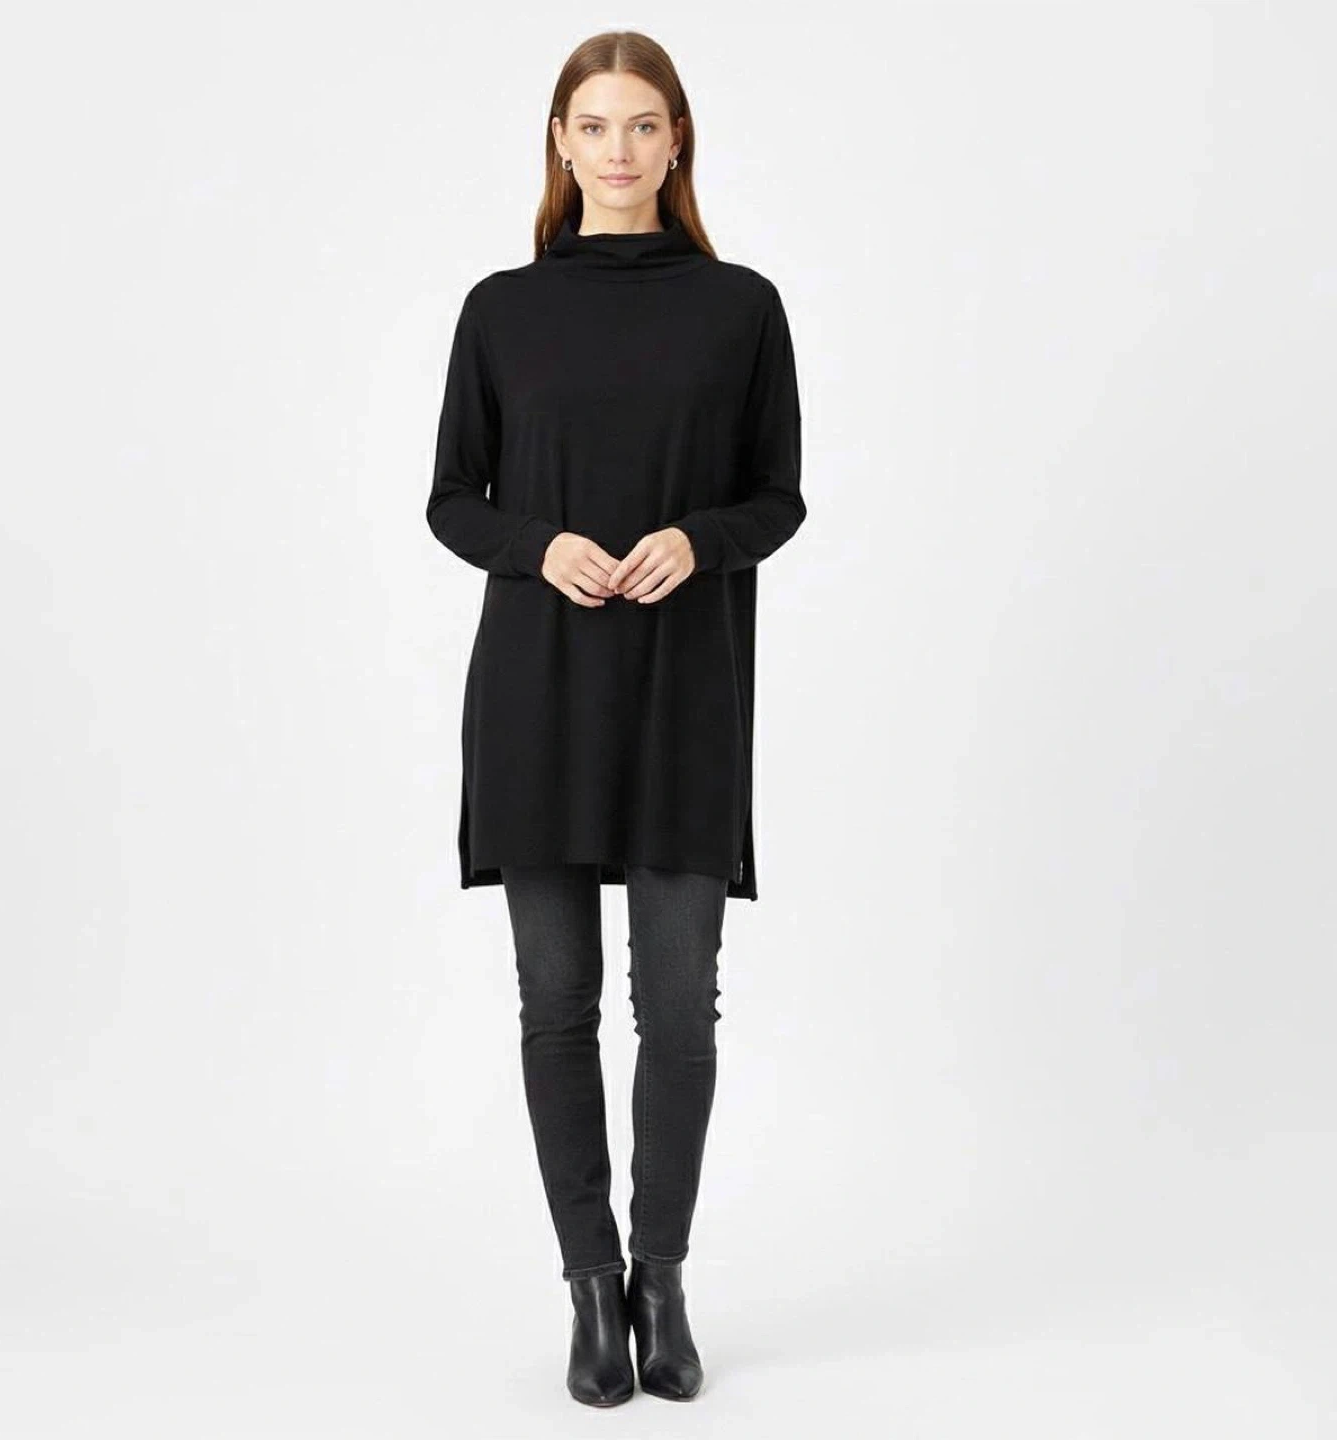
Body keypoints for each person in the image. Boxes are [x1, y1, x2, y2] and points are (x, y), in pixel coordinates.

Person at [425, 30, 806, 1407]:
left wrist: (699, 541)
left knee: (680, 1004)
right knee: (556, 1002)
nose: (620, 150)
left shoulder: (741, 308)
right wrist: (541, 547)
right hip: (538, 687)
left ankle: (662, 1277)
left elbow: (778, 496)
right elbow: (452, 497)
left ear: (678, 139)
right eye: (595, 126)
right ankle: (590, 1287)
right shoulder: (501, 310)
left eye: (644, 125)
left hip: (684, 689)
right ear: (561, 142)